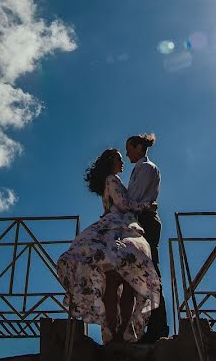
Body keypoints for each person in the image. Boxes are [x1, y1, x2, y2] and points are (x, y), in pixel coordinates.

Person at [57, 148, 161, 344]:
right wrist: (146, 206)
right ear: (112, 161)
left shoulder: (109, 180)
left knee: (115, 283)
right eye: (119, 159)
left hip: (114, 228)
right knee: (126, 283)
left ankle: (114, 333)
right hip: (120, 228)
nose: (123, 163)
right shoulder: (112, 179)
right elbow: (123, 204)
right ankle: (119, 332)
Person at [125, 133, 169, 343]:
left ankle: (158, 326)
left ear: (139, 148)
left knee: (150, 273)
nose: (127, 154)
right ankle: (149, 326)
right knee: (143, 274)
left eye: (129, 148)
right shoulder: (141, 168)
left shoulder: (146, 168)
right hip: (142, 219)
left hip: (145, 220)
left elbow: (132, 198)